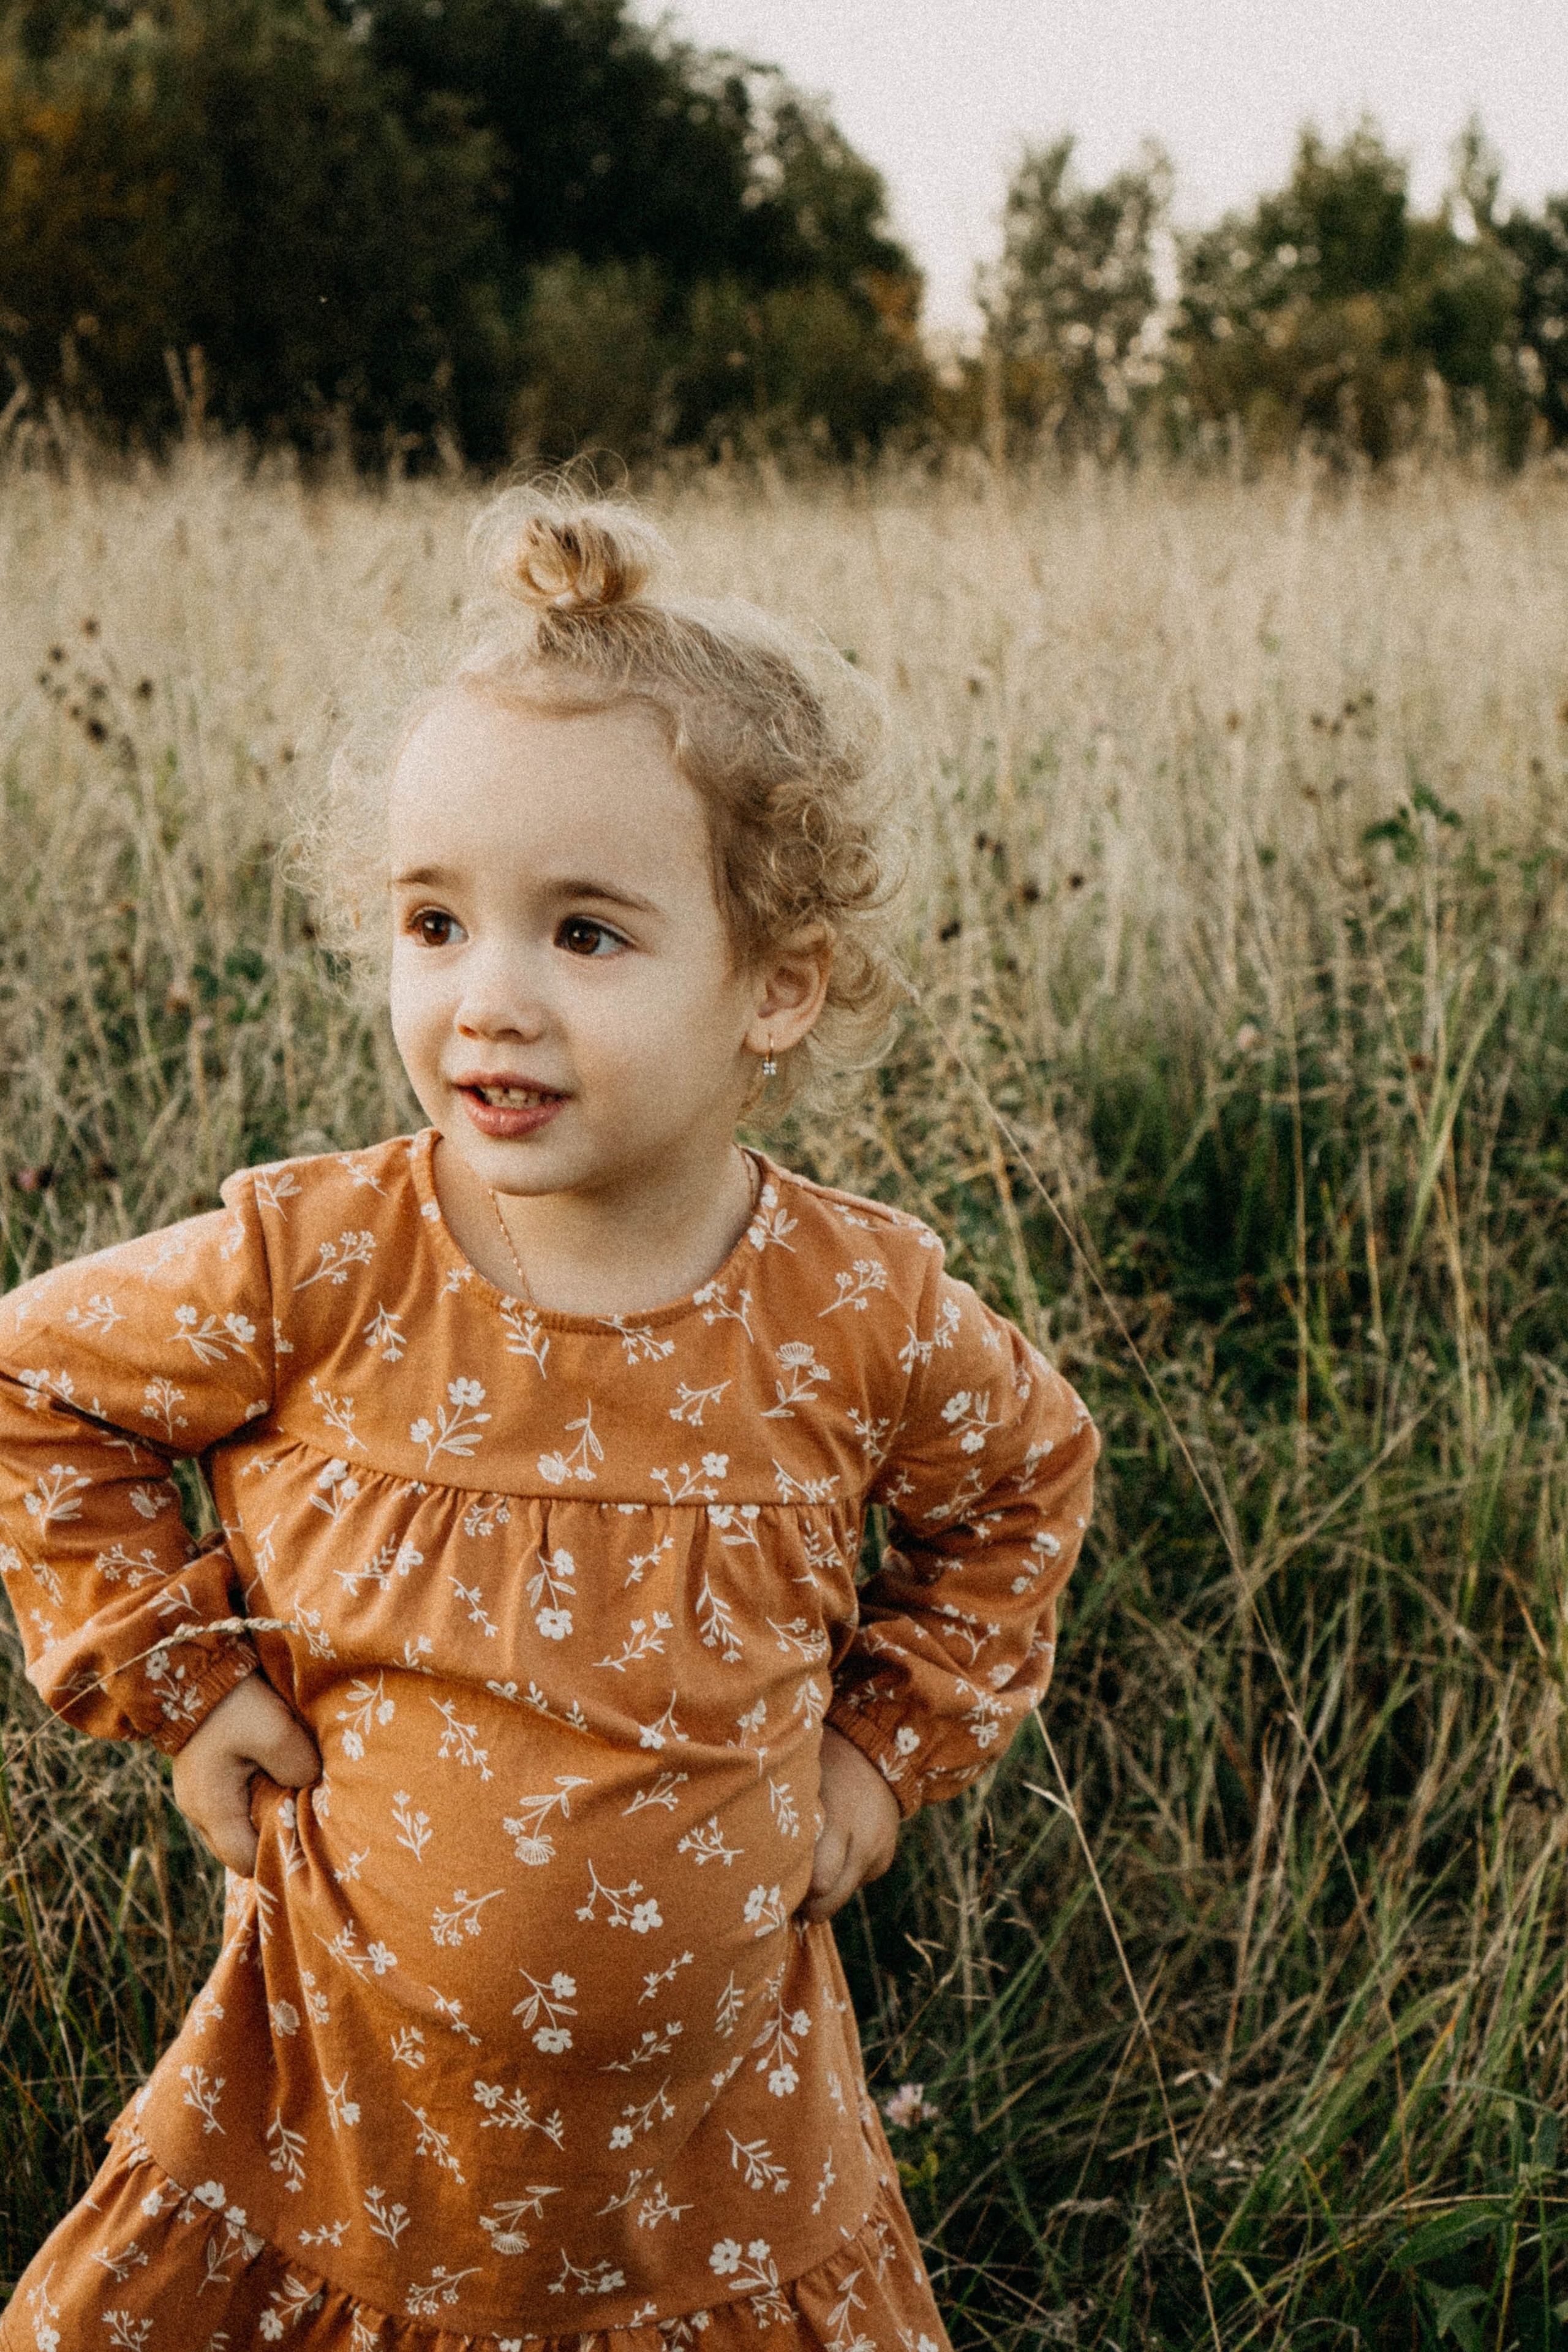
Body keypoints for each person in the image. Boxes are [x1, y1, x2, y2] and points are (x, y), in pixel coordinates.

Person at [0, 494, 1097, 2352]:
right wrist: (185, 1679)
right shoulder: (323, 1260)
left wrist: (881, 1755)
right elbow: (33, 1385)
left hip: (715, 2146)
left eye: (586, 934)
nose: (485, 998)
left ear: (777, 986)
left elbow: (1022, 1483)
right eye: (436, 921)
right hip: (342, 2103)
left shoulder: (853, 1304)